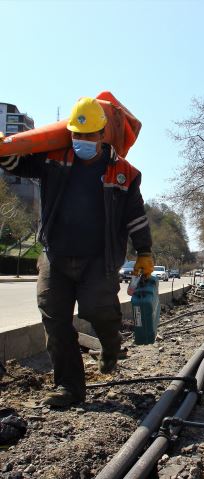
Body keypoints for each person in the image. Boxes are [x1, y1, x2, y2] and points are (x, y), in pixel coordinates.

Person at [0, 97, 153, 407]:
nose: (81, 141)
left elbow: (134, 215)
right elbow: (16, 162)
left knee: (98, 311)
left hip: (98, 260)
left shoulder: (123, 173)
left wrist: (144, 252)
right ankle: (69, 388)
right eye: (76, 135)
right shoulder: (54, 159)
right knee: (55, 321)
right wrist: (5, 147)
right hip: (55, 256)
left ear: (102, 135)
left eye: (88, 135)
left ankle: (110, 346)